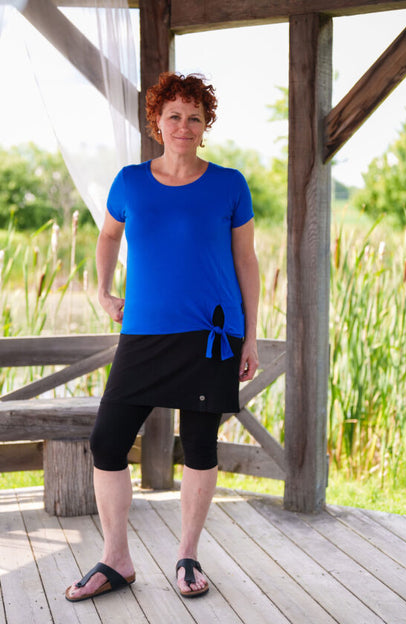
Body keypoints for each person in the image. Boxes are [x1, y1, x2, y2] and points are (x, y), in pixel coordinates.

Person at [65, 72, 259, 602]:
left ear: (205, 126)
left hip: (210, 332)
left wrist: (252, 336)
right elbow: (108, 236)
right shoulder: (129, 182)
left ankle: (188, 555)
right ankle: (116, 558)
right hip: (144, 333)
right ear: (157, 122)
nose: (183, 125)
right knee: (107, 440)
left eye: (194, 117)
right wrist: (104, 293)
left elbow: (246, 260)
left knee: (198, 446)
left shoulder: (229, 183)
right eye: (173, 115)